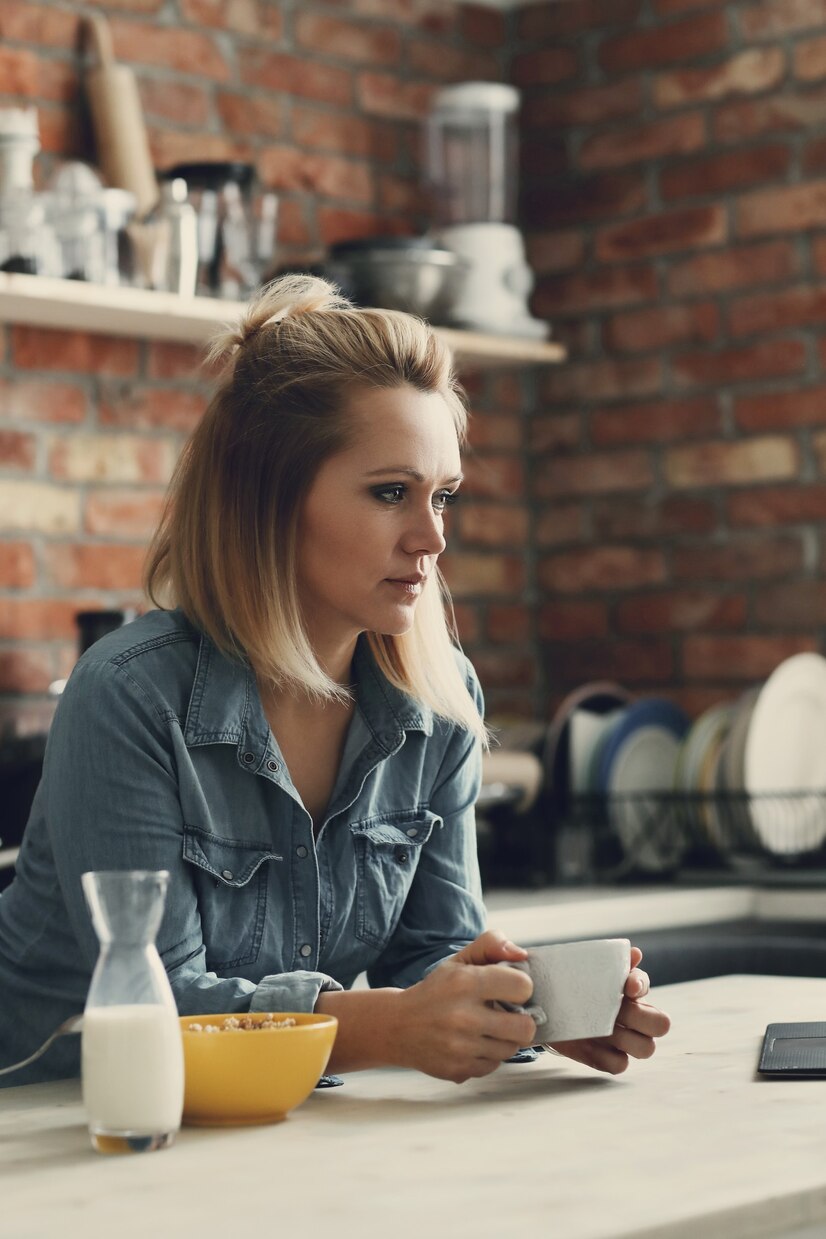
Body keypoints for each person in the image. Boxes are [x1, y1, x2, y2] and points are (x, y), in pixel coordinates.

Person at [0, 275, 669, 1086]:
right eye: (392, 492)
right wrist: (389, 1026)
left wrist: (535, 1013)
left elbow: (431, 953)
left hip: (247, 1123)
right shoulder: (130, 696)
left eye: (443, 496)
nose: (431, 537)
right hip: (49, 1113)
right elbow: (158, 1009)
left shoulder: (440, 702)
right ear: (270, 499)